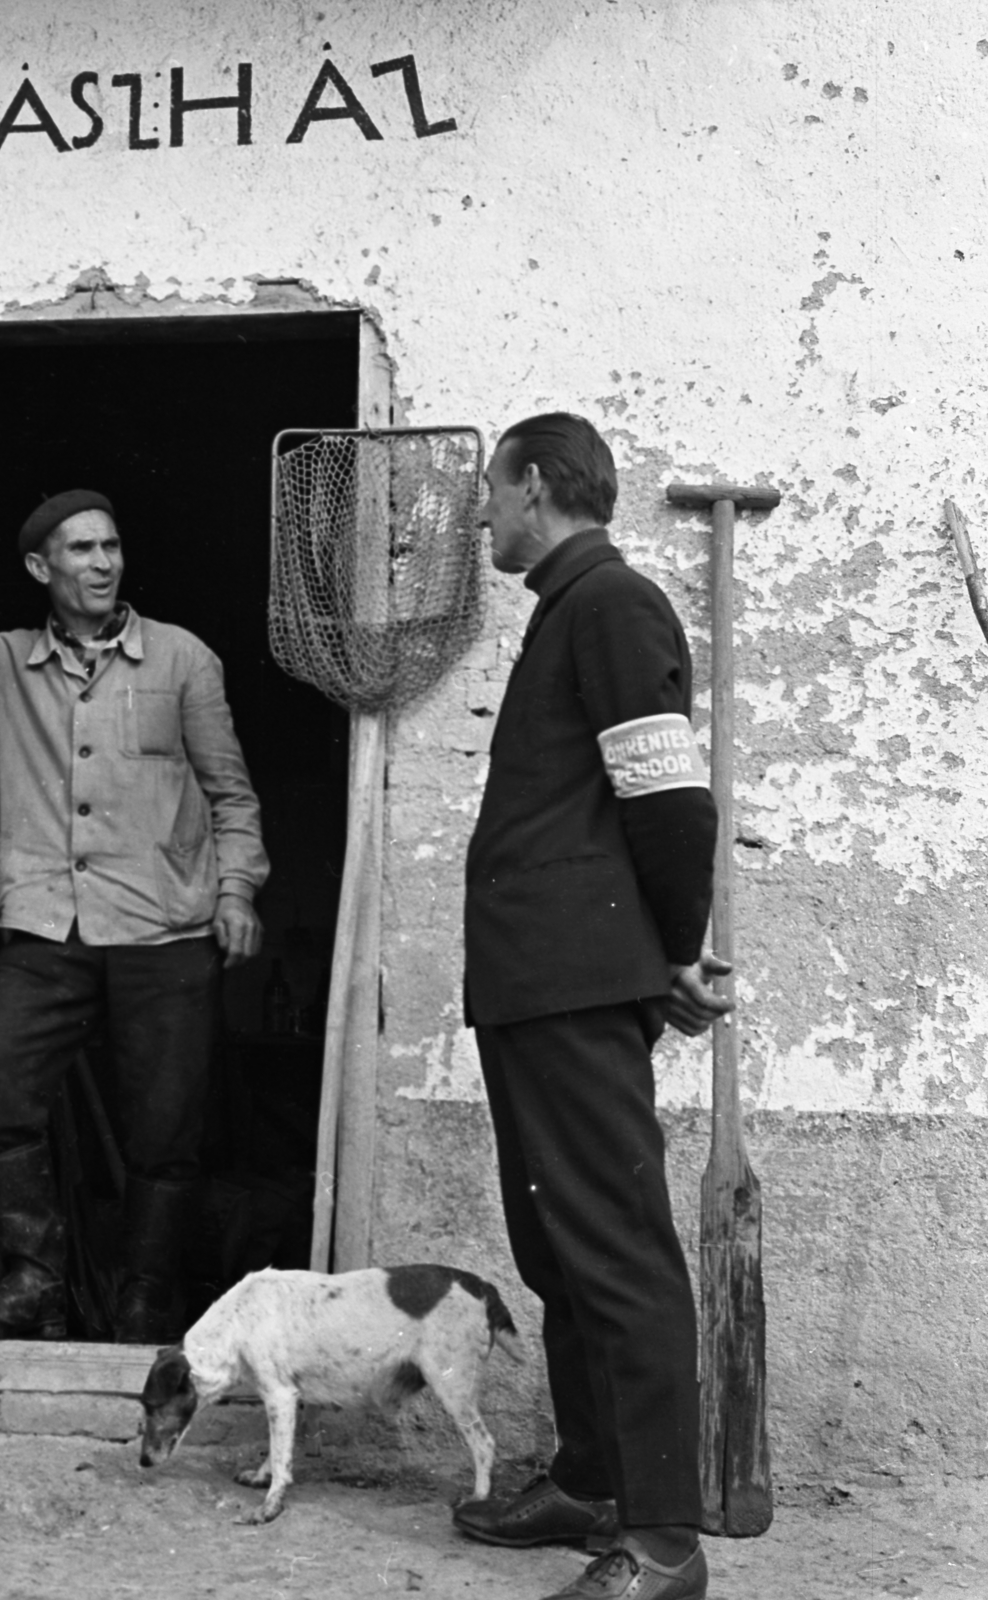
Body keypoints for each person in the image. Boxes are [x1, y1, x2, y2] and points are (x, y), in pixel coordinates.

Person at [450, 416, 733, 1600]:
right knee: (559, 1244)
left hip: (576, 981)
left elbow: (672, 803)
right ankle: (592, 1476)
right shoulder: (571, 608)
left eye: (490, 495)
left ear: (534, 485)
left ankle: (663, 1542)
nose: (481, 518)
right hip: (537, 982)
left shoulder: (612, 604)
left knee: (615, 1251)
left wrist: (671, 954)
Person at [0, 489, 267, 1345]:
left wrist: (238, 891)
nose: (103, 563)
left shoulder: (183, 659)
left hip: (166, 928)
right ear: (40, 568)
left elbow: (229, 792)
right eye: (80, 550)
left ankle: (147, 1295)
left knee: (166, 1124)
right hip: (46, 926)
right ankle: (36, 1279)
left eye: (110, 546)